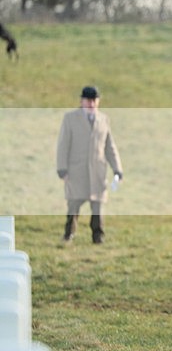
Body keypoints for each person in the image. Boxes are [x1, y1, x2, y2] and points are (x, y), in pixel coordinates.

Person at [56, 86, 123, 244]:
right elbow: (63, 144)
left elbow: (109, 146)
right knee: (74, 204)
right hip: (76, 170)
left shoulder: (104, 119)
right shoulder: (70, 118)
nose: (91, 104)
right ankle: (69, 233)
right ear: (82, 101)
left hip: (97, 170)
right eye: (88, 100)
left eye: (94, 100)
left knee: (98, 205)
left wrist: (117, 169)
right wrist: (62, 169)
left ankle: (98, 236)